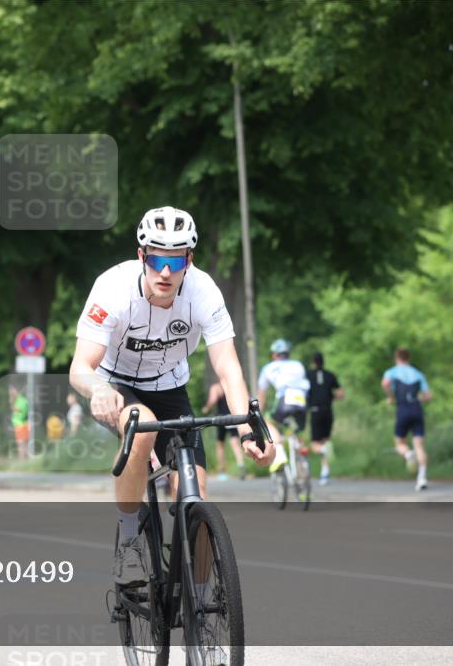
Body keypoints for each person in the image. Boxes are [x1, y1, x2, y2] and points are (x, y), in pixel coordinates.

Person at [69, 205, 273, 587]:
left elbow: (228, 367)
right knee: (141, 426)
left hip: (170, 385)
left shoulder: (203, 291)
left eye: (175, 260)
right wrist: (97, 388)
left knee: (193, 492)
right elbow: (80, 366)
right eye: (157, 258)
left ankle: (198, 598)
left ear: (188, 260)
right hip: (116, 384)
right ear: (141, 255)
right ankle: (129, 538)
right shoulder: (112, 288)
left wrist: (250, 428)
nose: (165, 271)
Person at [257, 339, 311, 478]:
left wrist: (258, 412)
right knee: (296, 428)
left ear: (274, 354)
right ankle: (302, 459)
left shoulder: (268, 368)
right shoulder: (298, 365)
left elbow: (261, 395)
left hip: (285, 400)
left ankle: (279, 451)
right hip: (302, 401)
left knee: (267, 420)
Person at [381, 347, 432, 491]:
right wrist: (418, 398)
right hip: (416, 409)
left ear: (396, 358)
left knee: (399, 443)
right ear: (408, 358)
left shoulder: (392, 372)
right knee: (419, 445)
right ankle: (422, 478)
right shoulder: (418, 374)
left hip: (402, 409)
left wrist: (391, 397)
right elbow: (428, 396)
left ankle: (408, 454)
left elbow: (385, 384)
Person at [306, 352, 344, 485]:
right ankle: (325, 471)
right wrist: (330, 397)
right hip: (328, 411)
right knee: (325, 441)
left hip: (315, 411)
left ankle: (323, 458)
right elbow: (340, 393)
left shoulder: (308, 375)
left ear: (313, 362)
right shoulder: (330, 375)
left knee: (315, 443)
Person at [201, 381, 245, 481]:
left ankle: (222, 470)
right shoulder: (231, 385)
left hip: (221, 418)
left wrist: (206, 408)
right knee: (235, 442)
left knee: (220, 444)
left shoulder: (216, 387)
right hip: (232, 417)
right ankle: (241, 465)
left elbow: (212, 400)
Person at [9, 385, 30, 458]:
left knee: (22, 444)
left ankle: (23, 459)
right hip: (19, 425)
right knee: (22, 444)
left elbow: (19, 411)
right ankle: (25, 460)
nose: (11, 393)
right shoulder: (18, 400)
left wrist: (12, 402)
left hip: (22, 425)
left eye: (12, 391)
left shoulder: (21, 400)